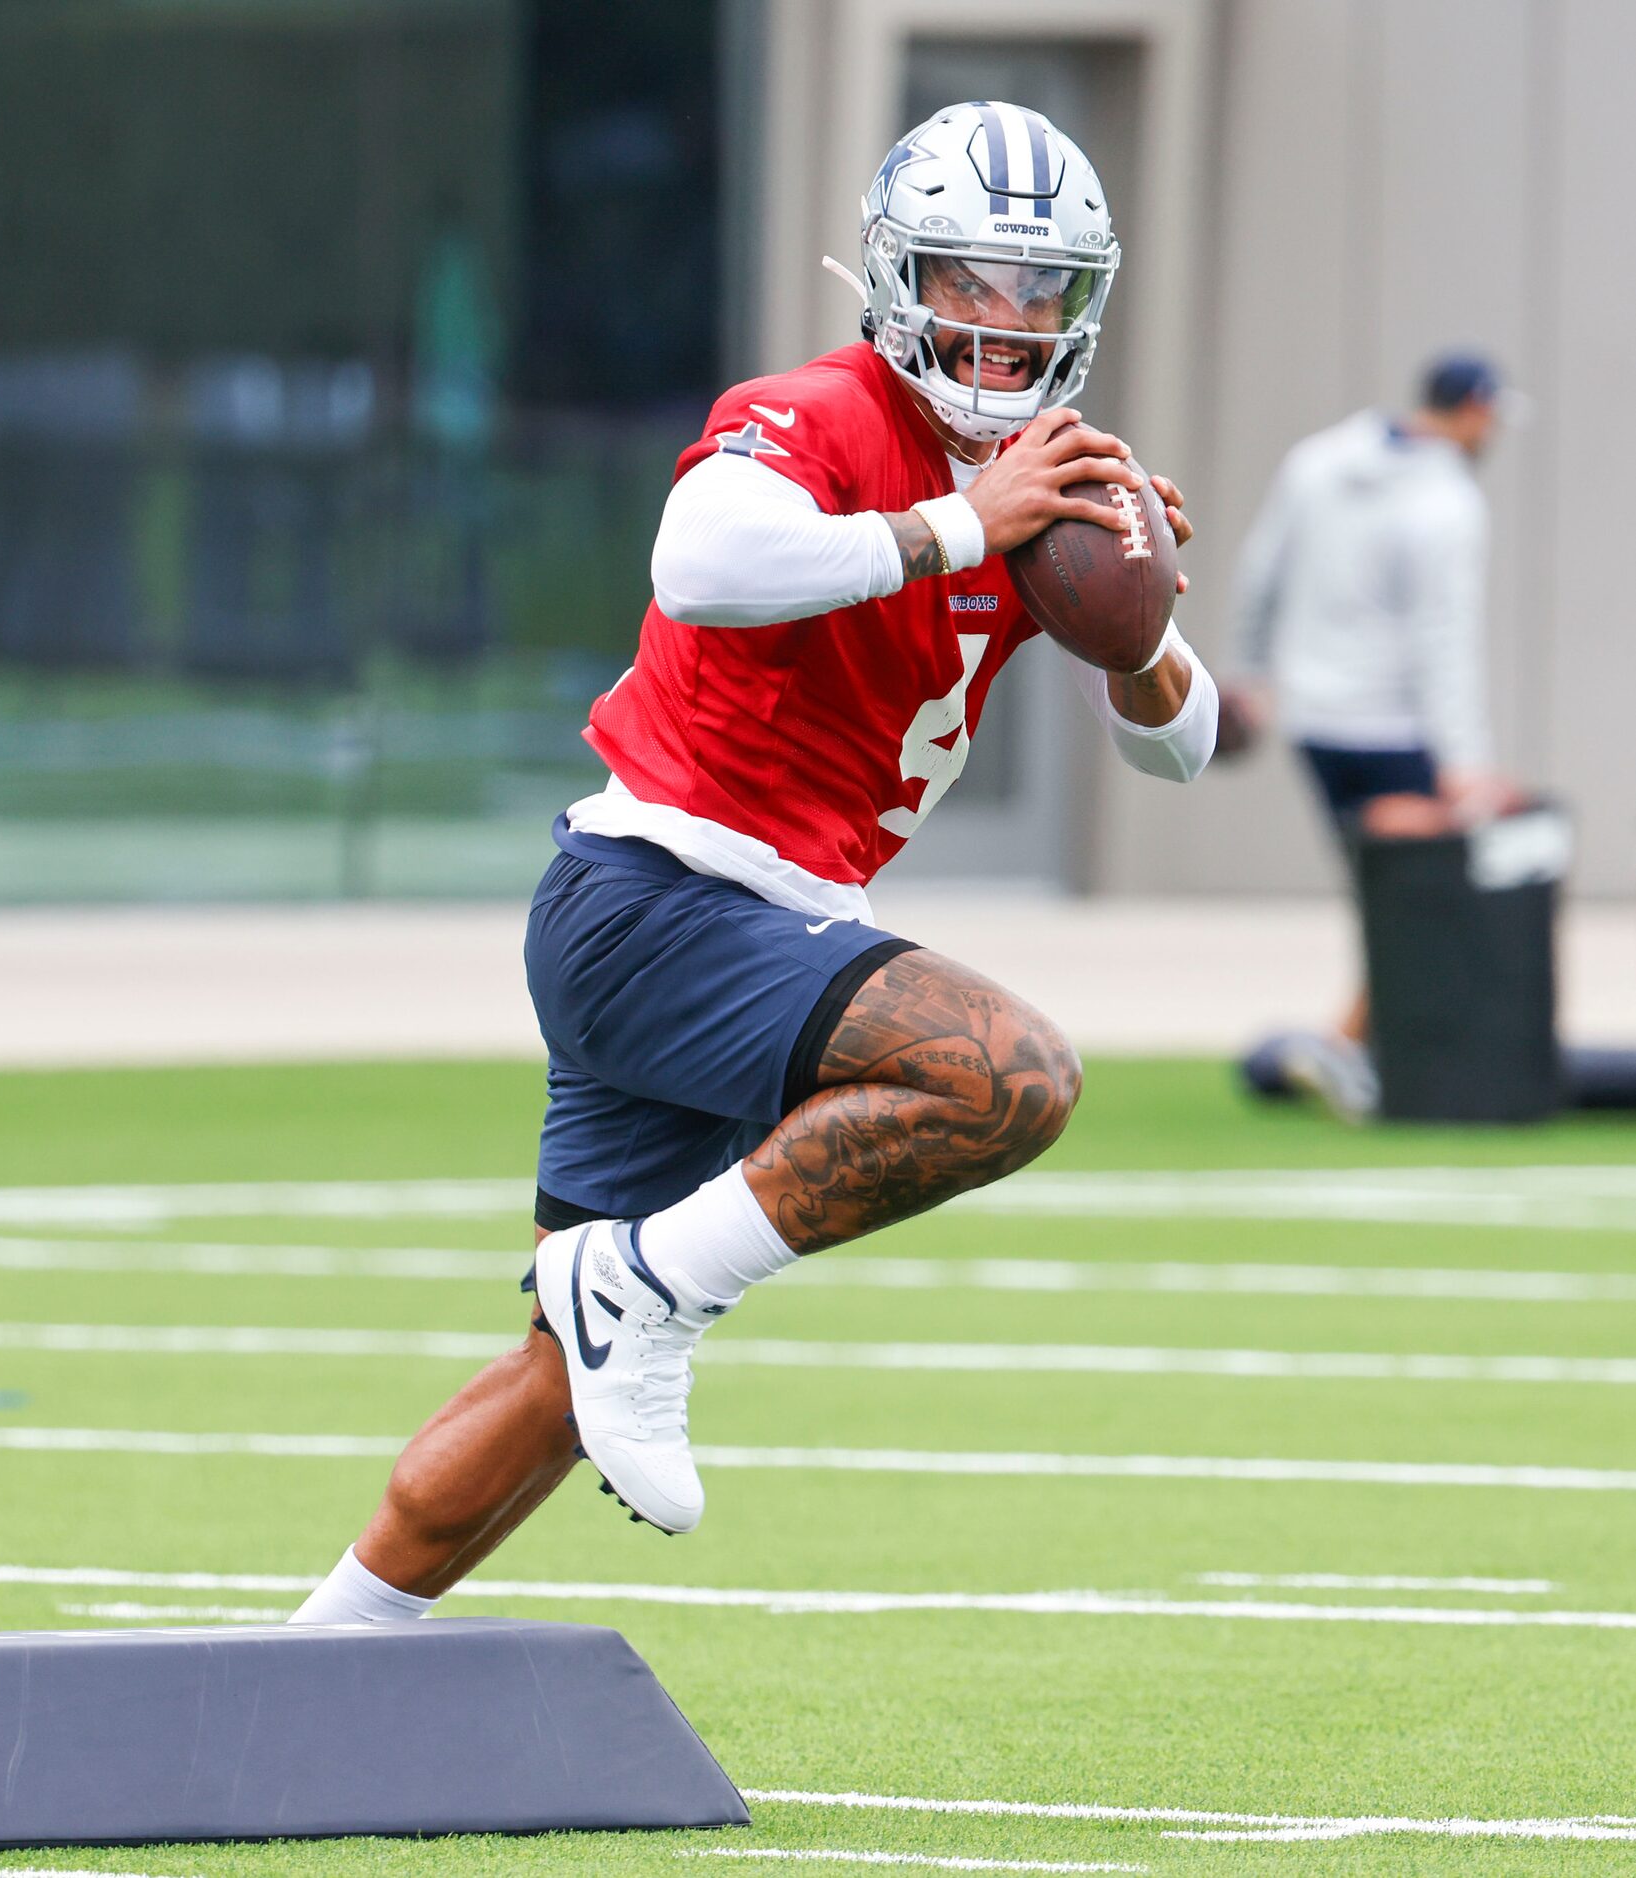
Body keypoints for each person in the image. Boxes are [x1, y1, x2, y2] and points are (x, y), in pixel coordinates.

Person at [289, 101, 1219, 1623]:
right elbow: (699, 562)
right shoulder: (827, 411)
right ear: (897, 274)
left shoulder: (1044, 480)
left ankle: (320, 1655)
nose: (1005, 324)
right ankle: (652, 1287)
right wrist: (949, 529)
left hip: (728, 929)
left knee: (550, 1386)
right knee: (1005, 1072)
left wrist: (1128, 626)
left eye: (1037, 290)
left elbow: (1186, 744)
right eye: (970, 282)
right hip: (661, 895)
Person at [1225, 356, 1522, 1117]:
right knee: (1418, 903)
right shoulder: (1449, 501)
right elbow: (1443, 639)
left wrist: (1247, 675)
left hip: (1314, 720)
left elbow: (1262, 570)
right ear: (1475, 410)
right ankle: (1350, 1052)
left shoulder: (1315, 460)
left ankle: (1357, 1046)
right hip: (1394, 726)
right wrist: (1463, 762)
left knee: (1385, 896)